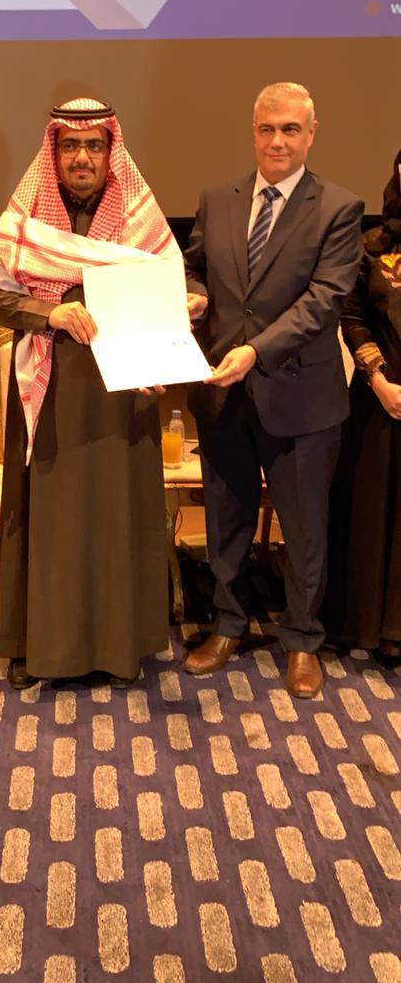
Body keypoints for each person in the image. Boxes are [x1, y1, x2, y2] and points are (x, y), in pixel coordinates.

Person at [0, 97, 178, 689]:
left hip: (123, 394)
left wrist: (187, 300)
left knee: (117, 517)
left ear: (111, 151)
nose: (81, 157)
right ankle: (35, 644)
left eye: (93, 145)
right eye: (70, 146)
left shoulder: (139, 217)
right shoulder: (27, 218)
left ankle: (119, 645)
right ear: (54, 152)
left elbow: (175, 278)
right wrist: (48, 312)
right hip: (52, 388)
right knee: (49, 519)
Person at [182, 82, 363, 698]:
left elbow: (325, 299)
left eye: (290, 129)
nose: (277, 141)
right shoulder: (218, 199)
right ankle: (228, 625)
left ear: (312, 133)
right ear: (253, 131)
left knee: (304, 526)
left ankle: (302, 639)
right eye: (267, 129)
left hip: (301, 397)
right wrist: (194, 296)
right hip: (223, 393)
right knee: (225, 518)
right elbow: (194, 266)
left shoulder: (339, 207)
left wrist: (256, 350)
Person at [324, 150, 401, 656]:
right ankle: (373, 628)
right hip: (381, 400)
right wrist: (378, 379)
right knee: (373, 512)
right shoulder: (372, 246)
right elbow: (352, 317)